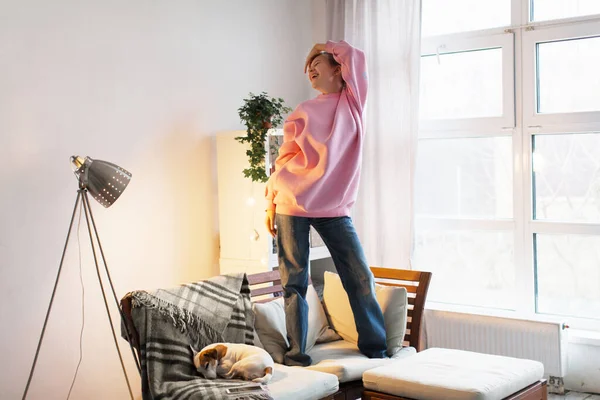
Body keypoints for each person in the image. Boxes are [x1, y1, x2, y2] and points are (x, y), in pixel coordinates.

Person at [264, 40, 387, 367]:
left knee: (359, 277)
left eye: (318, 64)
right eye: (309, 68)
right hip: (292, 201)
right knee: (294, 283)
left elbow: (356, 56)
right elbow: (284, 160)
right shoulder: (302, 111)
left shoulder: (352, 102)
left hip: (334, 208)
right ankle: (296, 355)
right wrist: (270, 204)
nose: (311, 70)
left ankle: (377, 350)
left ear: (339, 70)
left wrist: (320, 46)